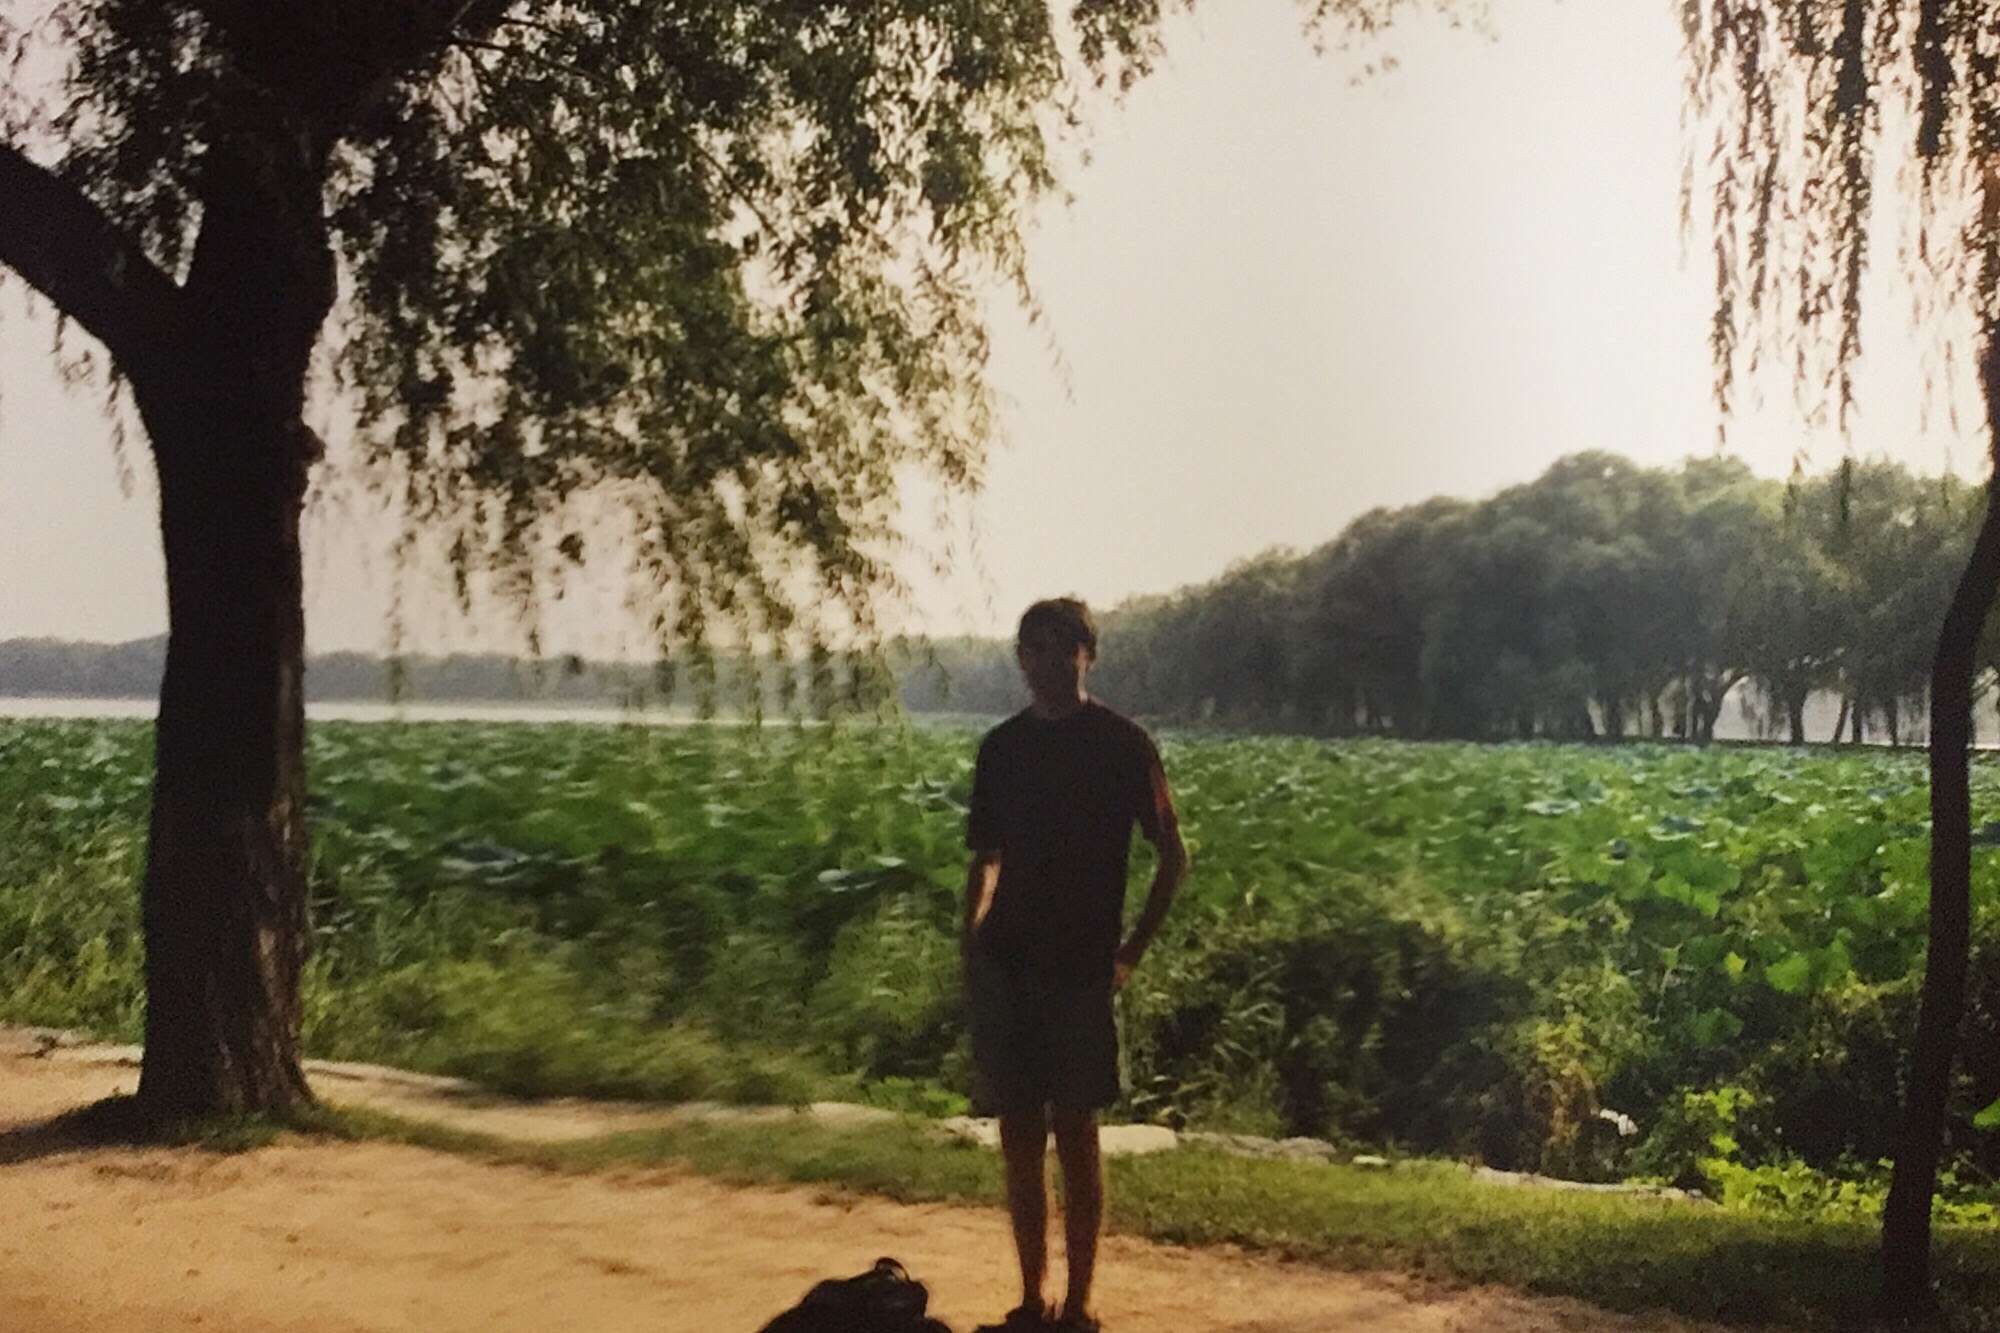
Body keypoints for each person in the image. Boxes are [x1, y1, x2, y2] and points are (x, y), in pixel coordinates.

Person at [962, 597, 1189, 1332]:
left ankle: (1080, 1305)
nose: (1047, 662)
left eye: (1063, 648)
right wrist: (970, 948)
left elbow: (1172, 857)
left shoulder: (1124, 745)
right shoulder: (1000, 750)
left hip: (1080, 967)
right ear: (1020, 658)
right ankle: (1032, 1300)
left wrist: (1131, 952)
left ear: (1087, 655)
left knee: (1078, 1135)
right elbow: (985, 860)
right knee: (1019, 1138)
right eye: (1034, 648)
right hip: (1008, 961)